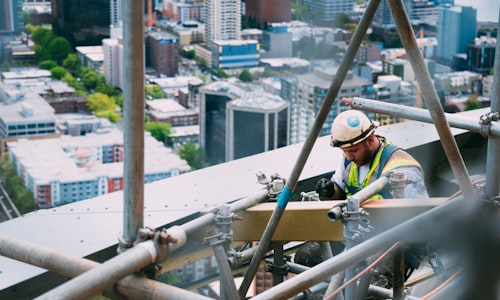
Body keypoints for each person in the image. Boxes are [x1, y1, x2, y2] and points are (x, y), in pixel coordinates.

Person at [316, 108, 428, 200]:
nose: (349, 157)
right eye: (344, 151)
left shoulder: (402, 167)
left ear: (369, 140)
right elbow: (341, 191)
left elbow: (416, 215)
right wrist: (330, 191)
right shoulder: (348, 158)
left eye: (353, 151)